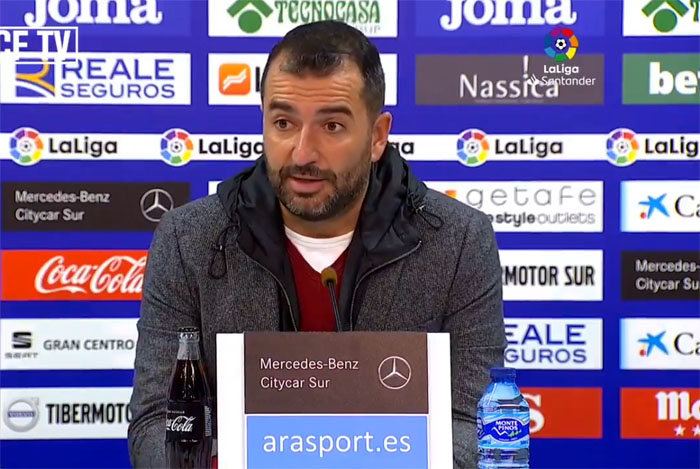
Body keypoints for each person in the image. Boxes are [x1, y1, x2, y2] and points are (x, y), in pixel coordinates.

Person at [128, 20, 505, 468]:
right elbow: (156, 424)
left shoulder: (460, 241)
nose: (303, 153)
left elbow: (476, 427)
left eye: (332, 125)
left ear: (377, 136)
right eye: (283, 122)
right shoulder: (188, 239)